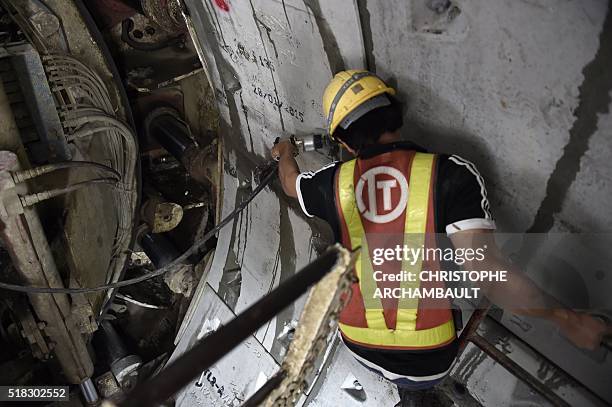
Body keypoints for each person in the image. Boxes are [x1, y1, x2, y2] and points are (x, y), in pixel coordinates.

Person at [270, 70, 610, 390]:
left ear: (343, 143)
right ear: (396, 114)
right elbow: (488, 273)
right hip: (428, 360)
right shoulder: (452, 174)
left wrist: (285, 151)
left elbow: (288, 181)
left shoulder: (331, 182)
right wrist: (568, 320)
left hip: (356, 340)